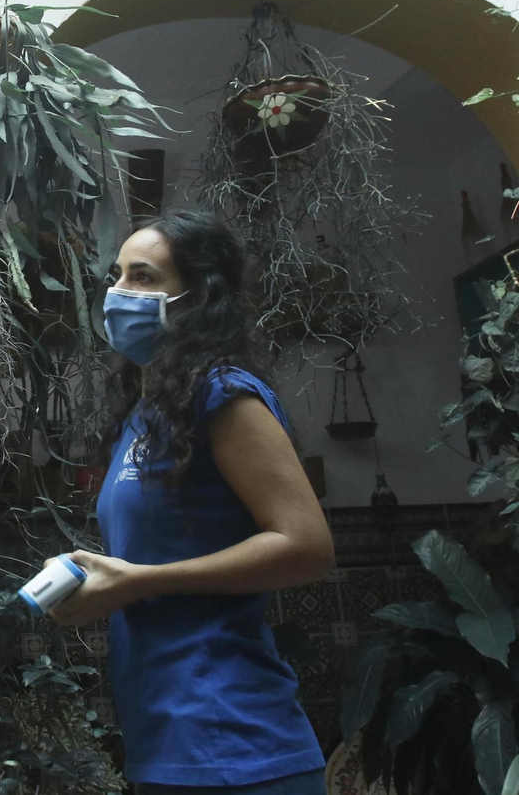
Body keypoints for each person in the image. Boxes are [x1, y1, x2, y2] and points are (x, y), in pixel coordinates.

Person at [40, 208, 334, 795]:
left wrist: (140, 581)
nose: (119, 293)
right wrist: (92, 572)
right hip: (164, 739)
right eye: (116, 276)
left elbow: (307, 548)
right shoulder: (146, 414)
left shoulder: (222, 394)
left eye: (144, 277)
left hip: (236, 745)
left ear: (198, 298)